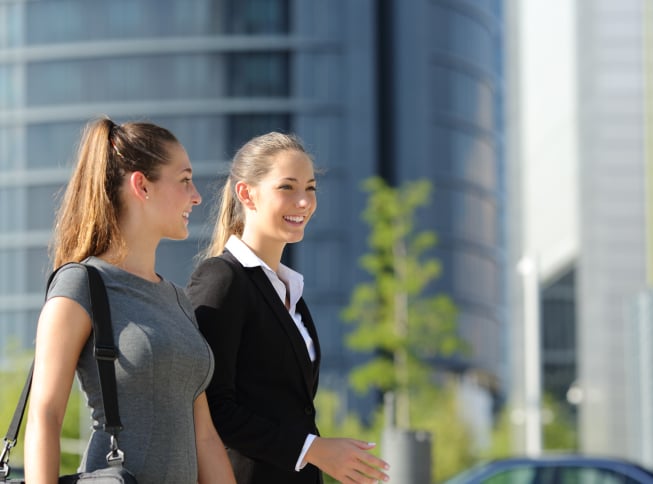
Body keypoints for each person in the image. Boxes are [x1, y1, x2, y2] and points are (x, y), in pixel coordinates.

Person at [24, 117, 236, 484]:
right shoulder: (81, 284)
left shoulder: (178, 300)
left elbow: (204, 437)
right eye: (184, 180)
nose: (197, 195)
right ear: (142, 185)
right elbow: (46, 415)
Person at [186, 132, 390, 484]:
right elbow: (210, 408)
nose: (303, 202)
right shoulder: (222, 279)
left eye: (310, 188)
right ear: (247, 194)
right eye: (287, 188)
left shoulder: (290, 291)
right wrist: (313, 449)